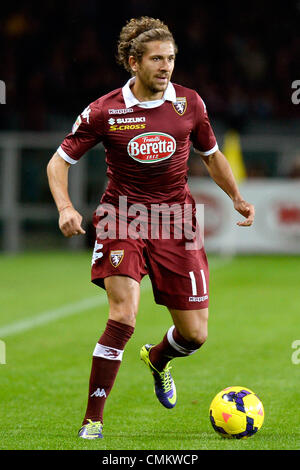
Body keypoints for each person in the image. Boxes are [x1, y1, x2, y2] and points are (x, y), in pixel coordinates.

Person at [47, 16, 255, 440]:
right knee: (123, 314)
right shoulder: (105, 110)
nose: (166, 67)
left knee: (195, 335)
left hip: (177, 220)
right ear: (133, 62)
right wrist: (66, 207)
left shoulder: (189, 104)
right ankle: (93, 420)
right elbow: (59, 162)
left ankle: (158, 358)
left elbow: (212, 155)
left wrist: (236, 196)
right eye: (157, 59)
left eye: (171, 58)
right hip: (122, 216)